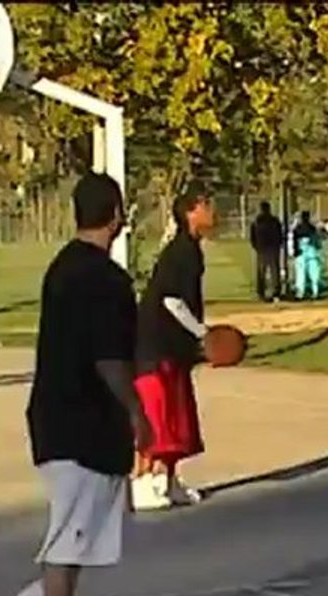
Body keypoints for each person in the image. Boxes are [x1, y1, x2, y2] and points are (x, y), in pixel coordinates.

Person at [16, 172, 152, 596]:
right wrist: (137, 412)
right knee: (73, 529)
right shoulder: (105, 279)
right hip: (81, 420)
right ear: (116, 215)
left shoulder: (63, 267)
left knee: (82, 521)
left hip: (55, 414)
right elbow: (109, 357)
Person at [130, 184, 214, 510]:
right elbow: (171, 299)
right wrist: (203, 333)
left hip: (174, 346)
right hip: (154, 346)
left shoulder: (191, 249)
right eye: (206, 205)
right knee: (157, 414)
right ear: (191, 212)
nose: (212, 212)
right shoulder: (180, 251)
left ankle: (167, 479)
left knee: (178, 415)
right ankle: (143, 481)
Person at [250, 201, 283, 302]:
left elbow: (252, 236)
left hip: (264, 248)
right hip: (269, 248)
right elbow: (279, 233)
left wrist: (256, 246)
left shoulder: (258, 221)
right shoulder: (270, 220)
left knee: (265, 271)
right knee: (272, 271)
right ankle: (273, 292)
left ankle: (264, 292)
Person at [293, 210, 323, 300]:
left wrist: (295, 251)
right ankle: (315, 292)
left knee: (301, 273)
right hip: (311, 251)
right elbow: (317, 241)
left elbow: (294, 241)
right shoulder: (312, 228)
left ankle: (300, 293)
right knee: (314, 273)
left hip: (301, 252)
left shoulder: (297, 229)